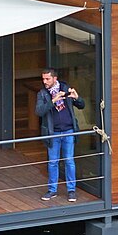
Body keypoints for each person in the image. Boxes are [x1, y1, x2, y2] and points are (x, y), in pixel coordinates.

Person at [36, 67, 86, 202]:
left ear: (54, 79)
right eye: (43, 79)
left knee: (69, 161)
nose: (45, 82)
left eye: (47, 79)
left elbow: (81, 105)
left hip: (69, 130)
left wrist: (77, 98)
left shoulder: (65, 88)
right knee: (53, 162)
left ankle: (71, 190)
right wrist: (52, 101)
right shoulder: (42, 94)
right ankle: (52, 190)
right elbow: (39, 111)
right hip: (53, 133)